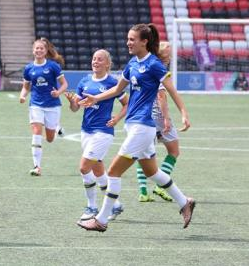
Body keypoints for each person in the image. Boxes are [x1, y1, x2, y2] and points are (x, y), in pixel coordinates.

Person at [77, 23, 195, 232]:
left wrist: (184, 113)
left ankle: (101, 220)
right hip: (133, 126)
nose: (128, 42)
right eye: (128, 39)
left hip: (143, 127)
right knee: (153, 172)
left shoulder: (154, 64)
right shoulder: (132, 63)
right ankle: (184, 201)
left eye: (132, 39)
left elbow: (171, 90)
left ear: (144, 41)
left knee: (113, 172)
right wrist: (96, 97)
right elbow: (117, 89)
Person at [64, 49, 128, 222]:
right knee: (97, 170)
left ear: (107, 64)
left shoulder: (112, 83)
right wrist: (72, 102)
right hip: (86, 131)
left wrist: (117, 118)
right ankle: (115, 205)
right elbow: (75, 108)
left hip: (103, 132)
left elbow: (127, 104)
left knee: (84, 167)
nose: (95, 62)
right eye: (94, 59)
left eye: (100, 59)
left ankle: (91, 207)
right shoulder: (84, 81)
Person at [136, 42, 183, 203]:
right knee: (174, 151)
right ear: (162, 54)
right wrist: (166, 119)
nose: (170, 57)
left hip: (145, 117)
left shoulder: (147, 66)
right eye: (168, 54)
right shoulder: (159, 69)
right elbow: (161, 96)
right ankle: (159, 185)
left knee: (143, 153)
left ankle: (143, 191)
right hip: (158, 118)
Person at [19, 37, 68, 176]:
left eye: (41, 48)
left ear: (46, 51)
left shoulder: (53, 66)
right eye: (37, 48)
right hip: (35, 105)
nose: (39, 50)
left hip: (53, 105)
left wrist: (58, 92)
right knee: (36, 132)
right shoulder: (29, 68)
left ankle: (57, 127)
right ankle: (37, 166)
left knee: (50, 139)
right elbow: (26, 87)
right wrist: (22, 96)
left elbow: (64, 84)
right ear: (33, 50)